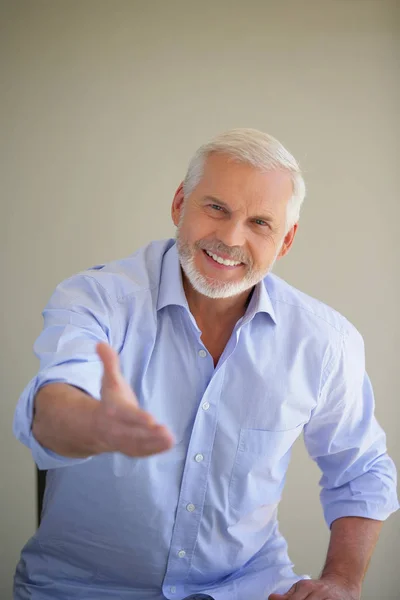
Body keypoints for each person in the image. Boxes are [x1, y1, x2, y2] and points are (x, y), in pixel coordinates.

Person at [13, 128, 398, 600]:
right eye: (216, 208)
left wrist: (341, 582)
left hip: (249, 587)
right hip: (84, 590)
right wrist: (93, 424)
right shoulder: (97, 300)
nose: (230, 238)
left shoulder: (324, 340)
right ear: (180, 204)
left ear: (286, 239)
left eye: (260, 222)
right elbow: (50, 409)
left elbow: (360, 470)